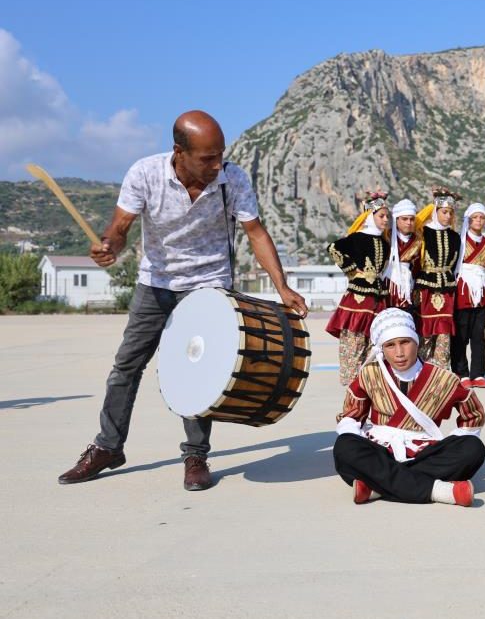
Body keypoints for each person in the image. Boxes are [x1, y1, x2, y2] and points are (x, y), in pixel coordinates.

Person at [57, 111, 307, 491]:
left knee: (200, 370)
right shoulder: (144, 173)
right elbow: (120, 228)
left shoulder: (232, 178)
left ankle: (196, 455)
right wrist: (109, 247)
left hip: (208, 284)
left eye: (220, 154)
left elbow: (256, 233)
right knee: (126, 366)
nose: (217, 164)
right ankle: (108, 447)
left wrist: (282, 286)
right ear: (179, 152)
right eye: (208, 158)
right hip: (156, 283)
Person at [332, 308, 485, 506]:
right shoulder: (369, 374)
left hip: (424, 451)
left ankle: (377, 487)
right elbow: (351, 417)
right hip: (381, 449)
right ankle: (440, 491)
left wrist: (455, 439)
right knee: (345, 446)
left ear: (417, 341)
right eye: (390, 345)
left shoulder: (443, 378)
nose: (399, 353)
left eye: (405, 342)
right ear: (381, 349)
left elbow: (472, 417)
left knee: (472, 448)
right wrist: (354, 435)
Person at [326, 191, 392, 385]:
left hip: (379, 296)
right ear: (370, 216)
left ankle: (370, 380)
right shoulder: (356, 238)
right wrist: (352, 271)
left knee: (375, 341)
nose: (385, 220)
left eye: (387, 216)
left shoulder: (384, 242)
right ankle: (351, 380)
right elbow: (333, 248)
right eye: (381, 216)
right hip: (358, 296)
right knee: (354, 338)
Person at [413, 186, 462, 368]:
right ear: (435, 211)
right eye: (444, 212)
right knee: (425, 328)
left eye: (450, 212)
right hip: (426, 286)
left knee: (444, 331)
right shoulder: (423, 233)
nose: (448, 216)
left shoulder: (455, 237)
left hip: (447, 287)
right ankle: (423, 368)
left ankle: (441, 369)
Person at [451, 202, 485, 388]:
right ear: (468, 220)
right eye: (475, 217)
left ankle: (478, 374)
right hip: (463, 291)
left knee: (479, 335)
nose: (478, 221)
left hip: (481, 293)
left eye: (481, 218)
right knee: (460, 334)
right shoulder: (460, 241)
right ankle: (461, 372)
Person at [383, 198, 421, 316]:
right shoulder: (386, 237)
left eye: (412, 219)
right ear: (396, 219)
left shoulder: (419, 240)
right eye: (404, 219)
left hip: (409, 286)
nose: (409, 222)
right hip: (388, 285)